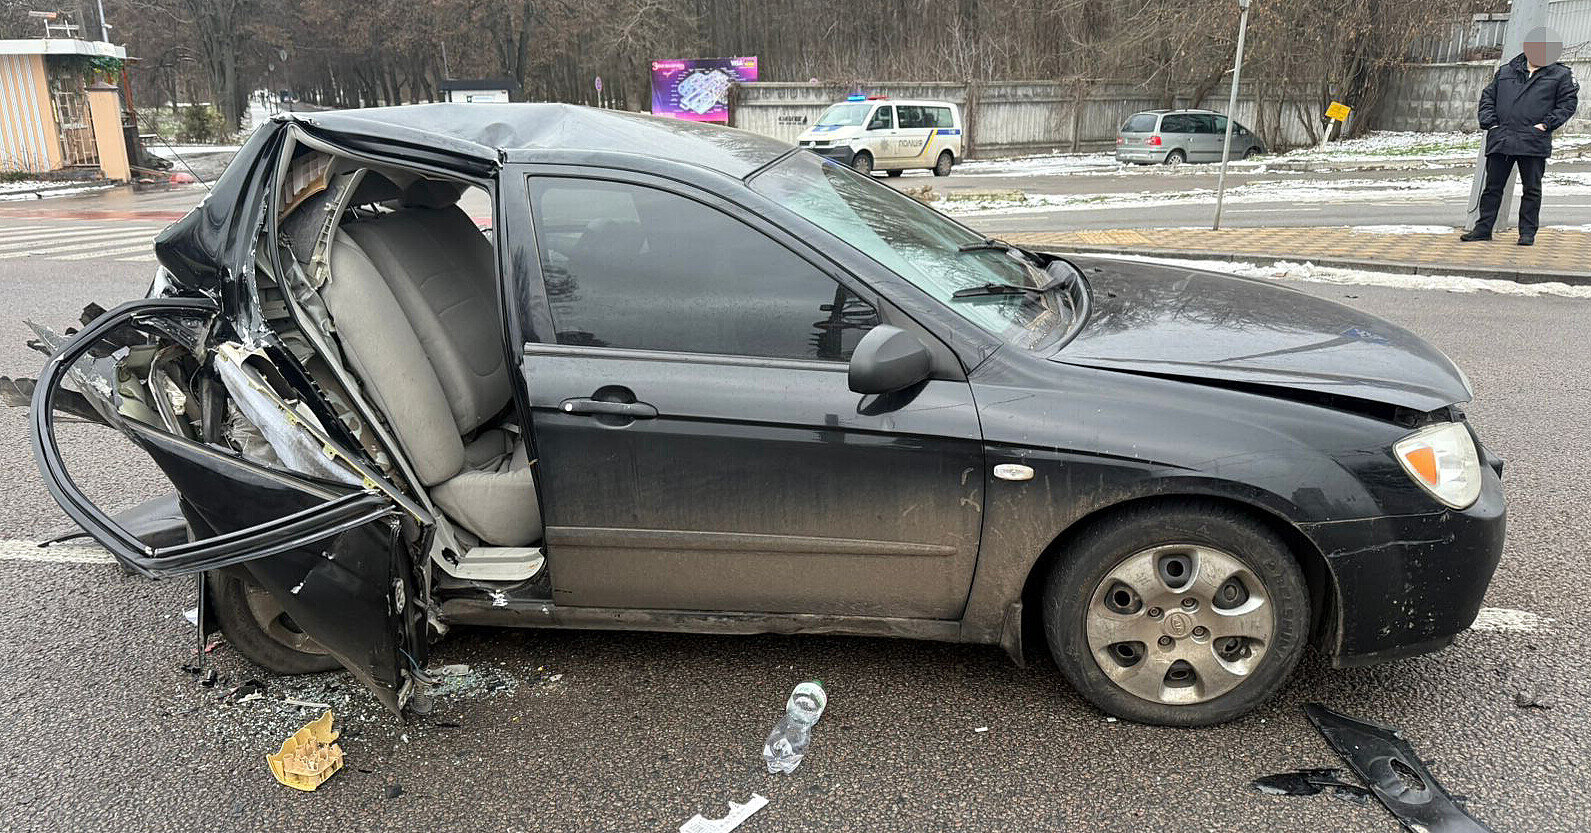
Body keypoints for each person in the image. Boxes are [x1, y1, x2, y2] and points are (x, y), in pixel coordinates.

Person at [1461, 30, 1579, 246]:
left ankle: (1527, 233)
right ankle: (1483, 229)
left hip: (1533, 139)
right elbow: (1488, 97)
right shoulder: (1507, 70)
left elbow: (1567, 104)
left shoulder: (1560, 75)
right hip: (1502, 138)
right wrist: (1491, 124)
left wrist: (1545, 125)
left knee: (1531, 189)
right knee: (1492, 188)